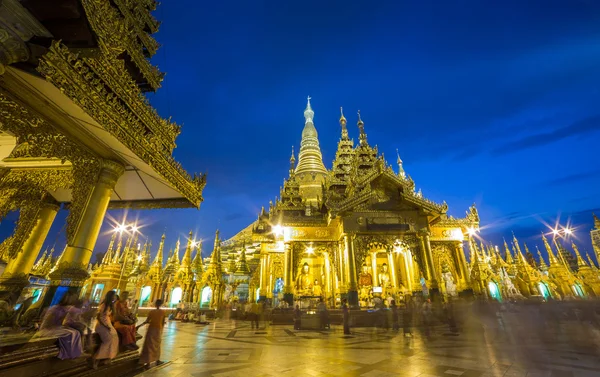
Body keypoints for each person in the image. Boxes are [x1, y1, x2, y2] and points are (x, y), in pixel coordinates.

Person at [34, 292, 83, 360]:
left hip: (56, 328)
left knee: (76, 332)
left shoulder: (64, 309)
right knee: (70, 333)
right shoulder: (56, 309)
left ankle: (76, 353)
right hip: (47, 329)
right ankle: (66, 354)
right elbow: (49, 323)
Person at [92, 290, 119, 369]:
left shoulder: (111, 305)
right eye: (114, 296)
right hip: (101, 324)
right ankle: (95, 359)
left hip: (108, 323)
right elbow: (98, 316)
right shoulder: (104, 305)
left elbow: (114, 315)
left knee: (115, 337)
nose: (115, 297)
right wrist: (105, 326)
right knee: (108, 340)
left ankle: (107, 357)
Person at [139, 299, 166, 368]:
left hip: (151, 329)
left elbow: (147, 321)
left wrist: (139, 326)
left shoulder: (151, 312)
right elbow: (163, 322)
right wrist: (161, 330)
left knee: (149, 345)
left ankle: (148, 362)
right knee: (157, 345)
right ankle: (157, 360)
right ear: (161, 304)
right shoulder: (162, 312)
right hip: (158, 329)